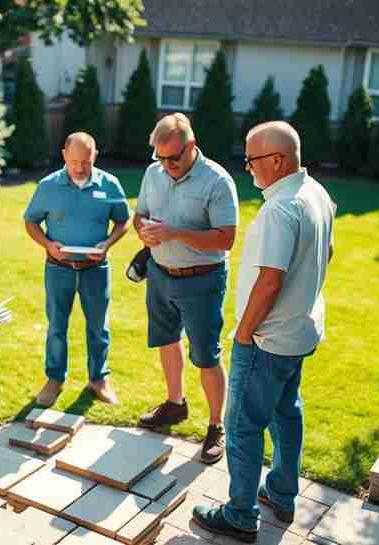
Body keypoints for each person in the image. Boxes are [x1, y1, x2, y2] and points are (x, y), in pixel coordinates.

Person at [192, 121, 335, 541]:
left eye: (251, 159)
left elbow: (269, 281)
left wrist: (242, 333)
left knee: (242, 427)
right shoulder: (317, 195)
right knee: (286, 411)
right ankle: (281, 493)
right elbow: (327, 252)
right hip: (299, 333)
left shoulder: (280, 209)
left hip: (266, 340)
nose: (247, 167)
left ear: (277, 159)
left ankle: (239, 514)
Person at [133, 113, 239, 465]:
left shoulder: (217, 181)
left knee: (206, 354)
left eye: (173, 158)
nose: (166, 165)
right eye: (159, 158)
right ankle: (175, 404)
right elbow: (140, 215)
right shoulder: (154, 174)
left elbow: (227, 238)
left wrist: (175, 233)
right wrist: (143, 231)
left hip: (202, 278)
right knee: (166, 340)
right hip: (160, 274)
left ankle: (215, 425)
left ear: (191, 147)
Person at [24, 132, 130, 407]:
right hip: (58, 268)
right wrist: (47, 244)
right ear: (64, 156)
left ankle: (98, 380)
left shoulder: (110, 184)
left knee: (98, 328)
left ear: (94, 155)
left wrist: (108, 243)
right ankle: (54, 379)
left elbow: (123, 221)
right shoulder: (48, 186)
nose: (81, 168)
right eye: (74, 162)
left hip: (96, 269)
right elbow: (31, 222)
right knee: (57, 326)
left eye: (86, 161)